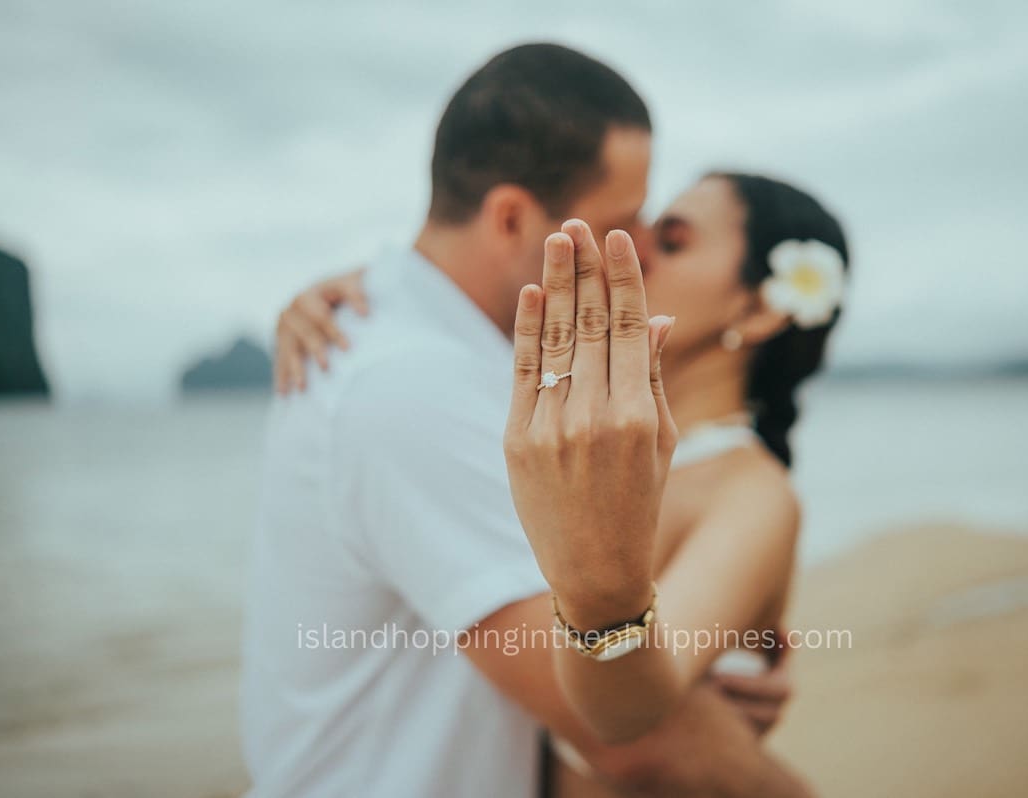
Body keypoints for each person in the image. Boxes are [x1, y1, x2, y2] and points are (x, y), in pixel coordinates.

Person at [241, 42, 817, 797]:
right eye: (624, 222)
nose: (638, 251)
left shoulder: (455, 355)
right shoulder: (414, 385)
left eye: (658, 230)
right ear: (512, 218)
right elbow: (624, 732)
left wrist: (688, 672)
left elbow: (606, 676)